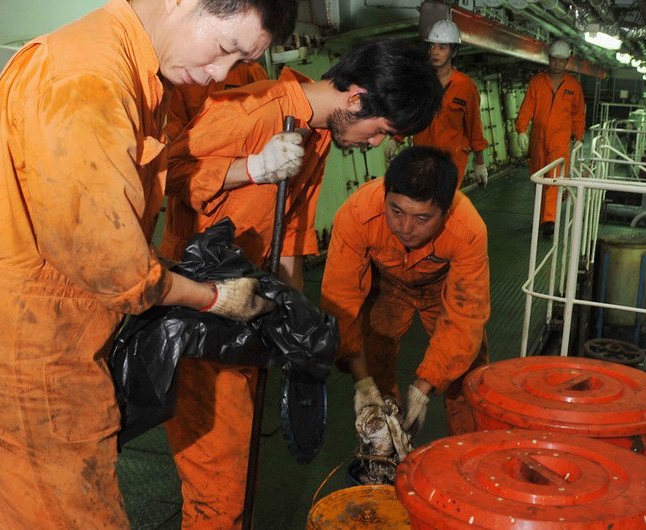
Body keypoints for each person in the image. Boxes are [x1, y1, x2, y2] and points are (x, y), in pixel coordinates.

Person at [0, 0, 295, 526]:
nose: (218, 74)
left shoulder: (127, 67)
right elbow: (113, 268)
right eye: (226, 49)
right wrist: (214, 298)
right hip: (31, 367)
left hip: (52, 348)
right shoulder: (90, 80)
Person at [161, 38, 442, 529]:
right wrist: (249, 170)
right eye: (382, 131)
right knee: (218, 488)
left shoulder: (315, 138)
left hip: (244, 315)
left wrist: (295, 338)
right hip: (195, 316)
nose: (376, 144)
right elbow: (167, 173)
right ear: (356, 99)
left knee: (241, 472)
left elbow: (290, 242)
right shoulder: (258, 111)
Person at [321, 146, 490, 439]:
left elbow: (465, 318)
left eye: (423, 219)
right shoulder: (357, 213)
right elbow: (340, 299)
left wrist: (424, 388)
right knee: (375, 358)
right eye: (396, 211)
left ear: (446, 211)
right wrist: (362, 383)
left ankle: (468, 451)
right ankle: (382, 444)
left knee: (467, 374)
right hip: (387, 286)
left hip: (442, 288)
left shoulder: (469, 230)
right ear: (385, 195)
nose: (406, 228)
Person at [383, 20, 488, 189]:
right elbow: (412, 114)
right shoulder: (421, 82)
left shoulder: (466, 86)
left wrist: (480, 163)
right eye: (432, 46)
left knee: (443, 208)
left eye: (442, 47)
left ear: (453, 51)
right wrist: (396, 139)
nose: (435, 52)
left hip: (452, 161)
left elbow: (474, 127)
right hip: (422, 158)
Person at [515, 39, 586, 237]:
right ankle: (543, 217)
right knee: (539, 179)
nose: (557, 64)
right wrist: (521, 129)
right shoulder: (537, 82)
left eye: (561, 61)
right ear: (549, 59)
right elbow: (527, 107)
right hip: (538, 140)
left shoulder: (574, 86)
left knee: (553, 179)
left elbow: (578, 114)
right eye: (554, 60)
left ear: (567, 61)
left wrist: (579, 137)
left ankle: (549, 221)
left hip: (560, 140)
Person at [168, 61, 268, 129]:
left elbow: (267, 115)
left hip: (243, 153)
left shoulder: (249, 69)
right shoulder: (184, 76)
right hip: (199, 155)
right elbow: (175, 126)